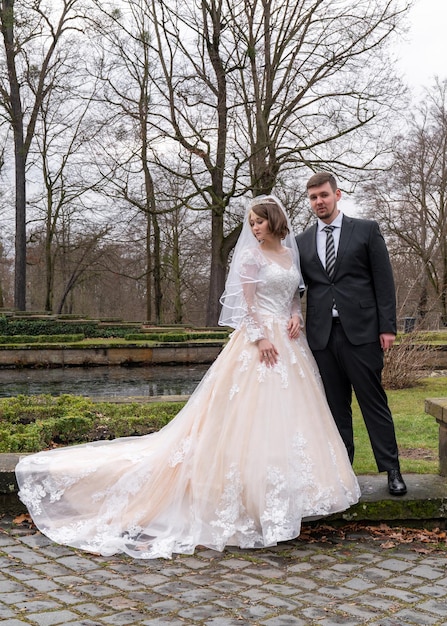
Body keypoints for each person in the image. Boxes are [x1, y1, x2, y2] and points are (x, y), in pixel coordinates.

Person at [15, 195, 360, 560]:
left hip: (290, 345)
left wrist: (295, 315)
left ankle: (290, 495)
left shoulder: (291, 256)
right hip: (258, 345)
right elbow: (243, 306)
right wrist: (260, 339)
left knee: (292, 419)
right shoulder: (249, 256)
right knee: (246, 418)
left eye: (259, 221)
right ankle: (242, 496)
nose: (254, 227)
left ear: (274, 221)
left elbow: (292, 297)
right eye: (251, 222)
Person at [296, 172, 407, 496]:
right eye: (313, 197)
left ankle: (392, 471)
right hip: (321, 337)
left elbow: (383, 282)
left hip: (362, 334)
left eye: (324, 195)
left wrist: (387, 327)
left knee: (374, 404)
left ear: (337, 195)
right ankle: (342, 474)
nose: (319, 202)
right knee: (335, 409)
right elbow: (296, 289)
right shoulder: (301, 242)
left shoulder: (366, 230)